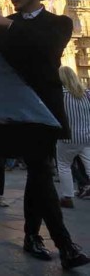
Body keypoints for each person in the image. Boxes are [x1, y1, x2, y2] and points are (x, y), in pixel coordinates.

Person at [0, 0, 89, 269]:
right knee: (39, 168)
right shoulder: (6, 24)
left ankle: (34, 236)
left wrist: (9, 27)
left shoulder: (59, 23)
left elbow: (47, 48)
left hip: (45, 106)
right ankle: (62, 244)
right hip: (17, 107)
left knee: (39, 169)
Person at [57, 66, 90, 208]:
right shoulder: (86, 94)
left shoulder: (61, 95)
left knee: (64, 165)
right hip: (86, 136)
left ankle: (67, 197)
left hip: (67, 137)